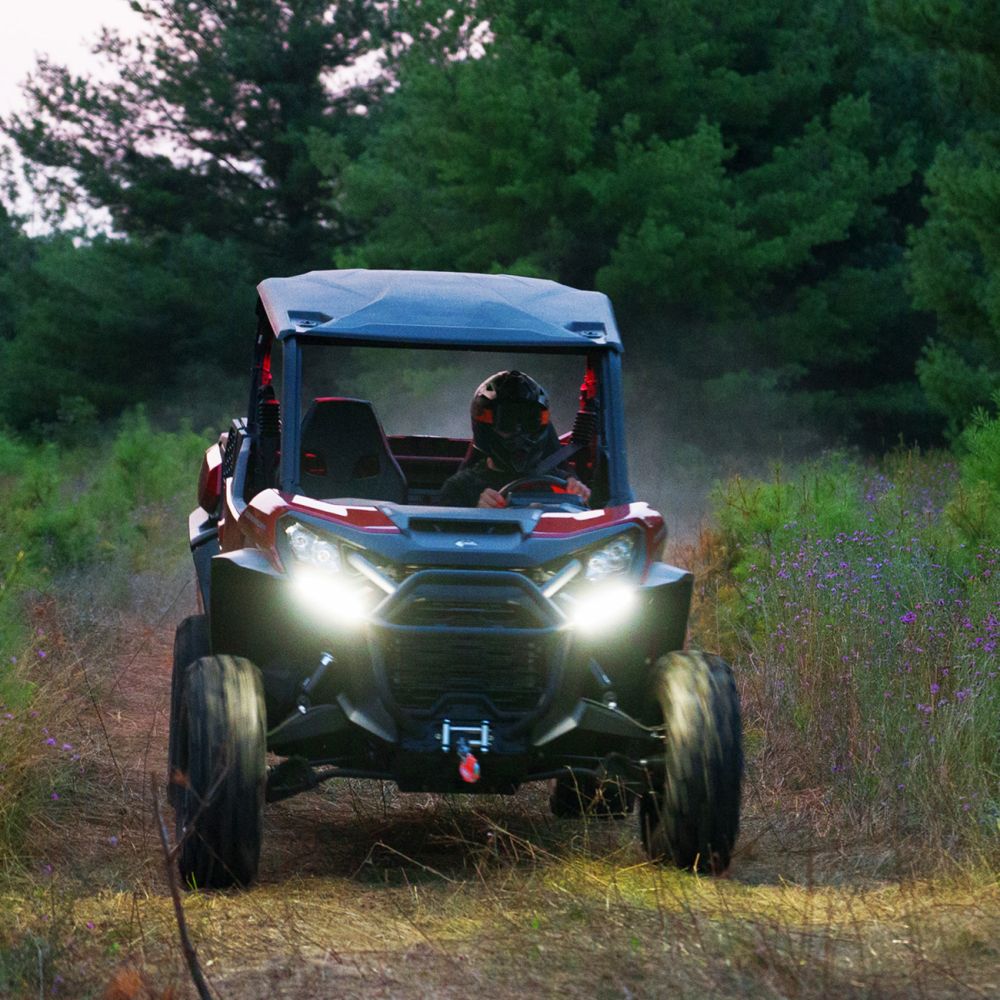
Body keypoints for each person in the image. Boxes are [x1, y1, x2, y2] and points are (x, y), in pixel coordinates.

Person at [439, 370, 592, 508]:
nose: (520, 433)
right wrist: (477, 514)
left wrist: (582, 500)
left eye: (529, 423)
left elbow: (587, 524)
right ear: (485, 427)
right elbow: (443, 529)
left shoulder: (563, 483)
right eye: (507, 423)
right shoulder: (460, 488)